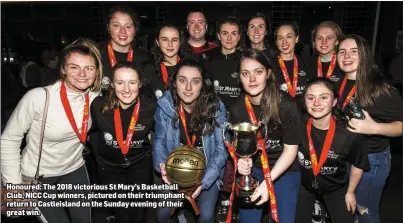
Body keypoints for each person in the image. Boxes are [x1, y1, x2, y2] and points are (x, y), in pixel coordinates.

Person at [1, 38, 103, 223]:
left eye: (89, 68)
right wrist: (13, 185)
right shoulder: (39, 97)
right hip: (38, 177)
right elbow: (9, 139)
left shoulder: (95, 98)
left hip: (75, 170)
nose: (82, 74)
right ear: (63, 69)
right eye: (74, 67)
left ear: (96, 73)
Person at [337, 34, 403, 223]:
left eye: (353, 51)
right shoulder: (340, 82)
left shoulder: (380, 88)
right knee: (350, 208)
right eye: (342, 52)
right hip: (347, 157)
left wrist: (374, 127)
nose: (346, 56)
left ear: (364, 55)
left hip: (371, 161)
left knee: (365, 212)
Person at [153, 59, 228, 223]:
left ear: (203, 84)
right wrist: (162, 165)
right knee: (163, 215)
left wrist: (204, 181)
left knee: (206, 216)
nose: (188, 88)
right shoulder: (164, 105)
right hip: (175, 168)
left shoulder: (216, 107)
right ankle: (180, 216)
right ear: (174, 83)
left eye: (195, 81)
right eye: (182, 80)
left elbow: (222, 150)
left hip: (207, 169)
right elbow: (159, 141)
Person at [233, 49, 302, 223]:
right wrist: (241, 160)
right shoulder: (236, 108)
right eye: (245, 73)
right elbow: (239, 146)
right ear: (239, 77)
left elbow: (290, 150)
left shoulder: (286, 104)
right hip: (255, 171)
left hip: (285, 170)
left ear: (268, 74)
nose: (252, 79)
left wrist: (268, 182)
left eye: (258, 72)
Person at [296, 77, 370, 223]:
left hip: (335, 187)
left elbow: (358, 165)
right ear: (304, 101)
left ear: (334, 101)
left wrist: (350, 192)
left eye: (324, 97)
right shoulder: (298, 126)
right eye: (311, 98)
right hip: (304, 186)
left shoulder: (349, 133)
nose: (316, 103)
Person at [90, 62, 156, 223]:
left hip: (140, 165)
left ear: (140, 84)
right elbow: (89, 134)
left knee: (139, 215)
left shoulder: (151, 106)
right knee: (121, 214)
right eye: (120, 83)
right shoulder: (98, 105)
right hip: (109, 168)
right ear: (111, 84)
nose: (126, 89)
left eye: (132, 83)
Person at [98, 4, 150, 94]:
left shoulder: (144, 59)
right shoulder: (95, 54)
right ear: (108, 28)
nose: (123, 31)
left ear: (135, 30)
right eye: (116, 25)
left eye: (128, 26)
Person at [147, 24, 195, 99]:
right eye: (165, 39)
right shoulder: (148, 69)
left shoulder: (192, 67)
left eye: (174, 40)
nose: (170, 44)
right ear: (157, 42)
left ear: (180, 42)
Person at [206, 16, 243, 109]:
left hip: (240, 114)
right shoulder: (208, 60)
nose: (229, 38)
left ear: (239, 37)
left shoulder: (246, 60)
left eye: (233, 33)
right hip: (215, 114)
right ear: (219, 36)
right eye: (225, 33)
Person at [272, 22, 308, 110]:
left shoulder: (307, 62)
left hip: (303, 116)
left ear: (296, 38)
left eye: (289, 36)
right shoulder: (269, 65)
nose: (284, 42)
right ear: (276, 42)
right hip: (280, 116)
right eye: (280, 38)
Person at [306, 21, 344, 86]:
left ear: (337, 41)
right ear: (314, 42)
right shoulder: (306, 64)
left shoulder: (345, 63)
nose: (324, 42)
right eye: (319, 38)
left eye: (329, 38)